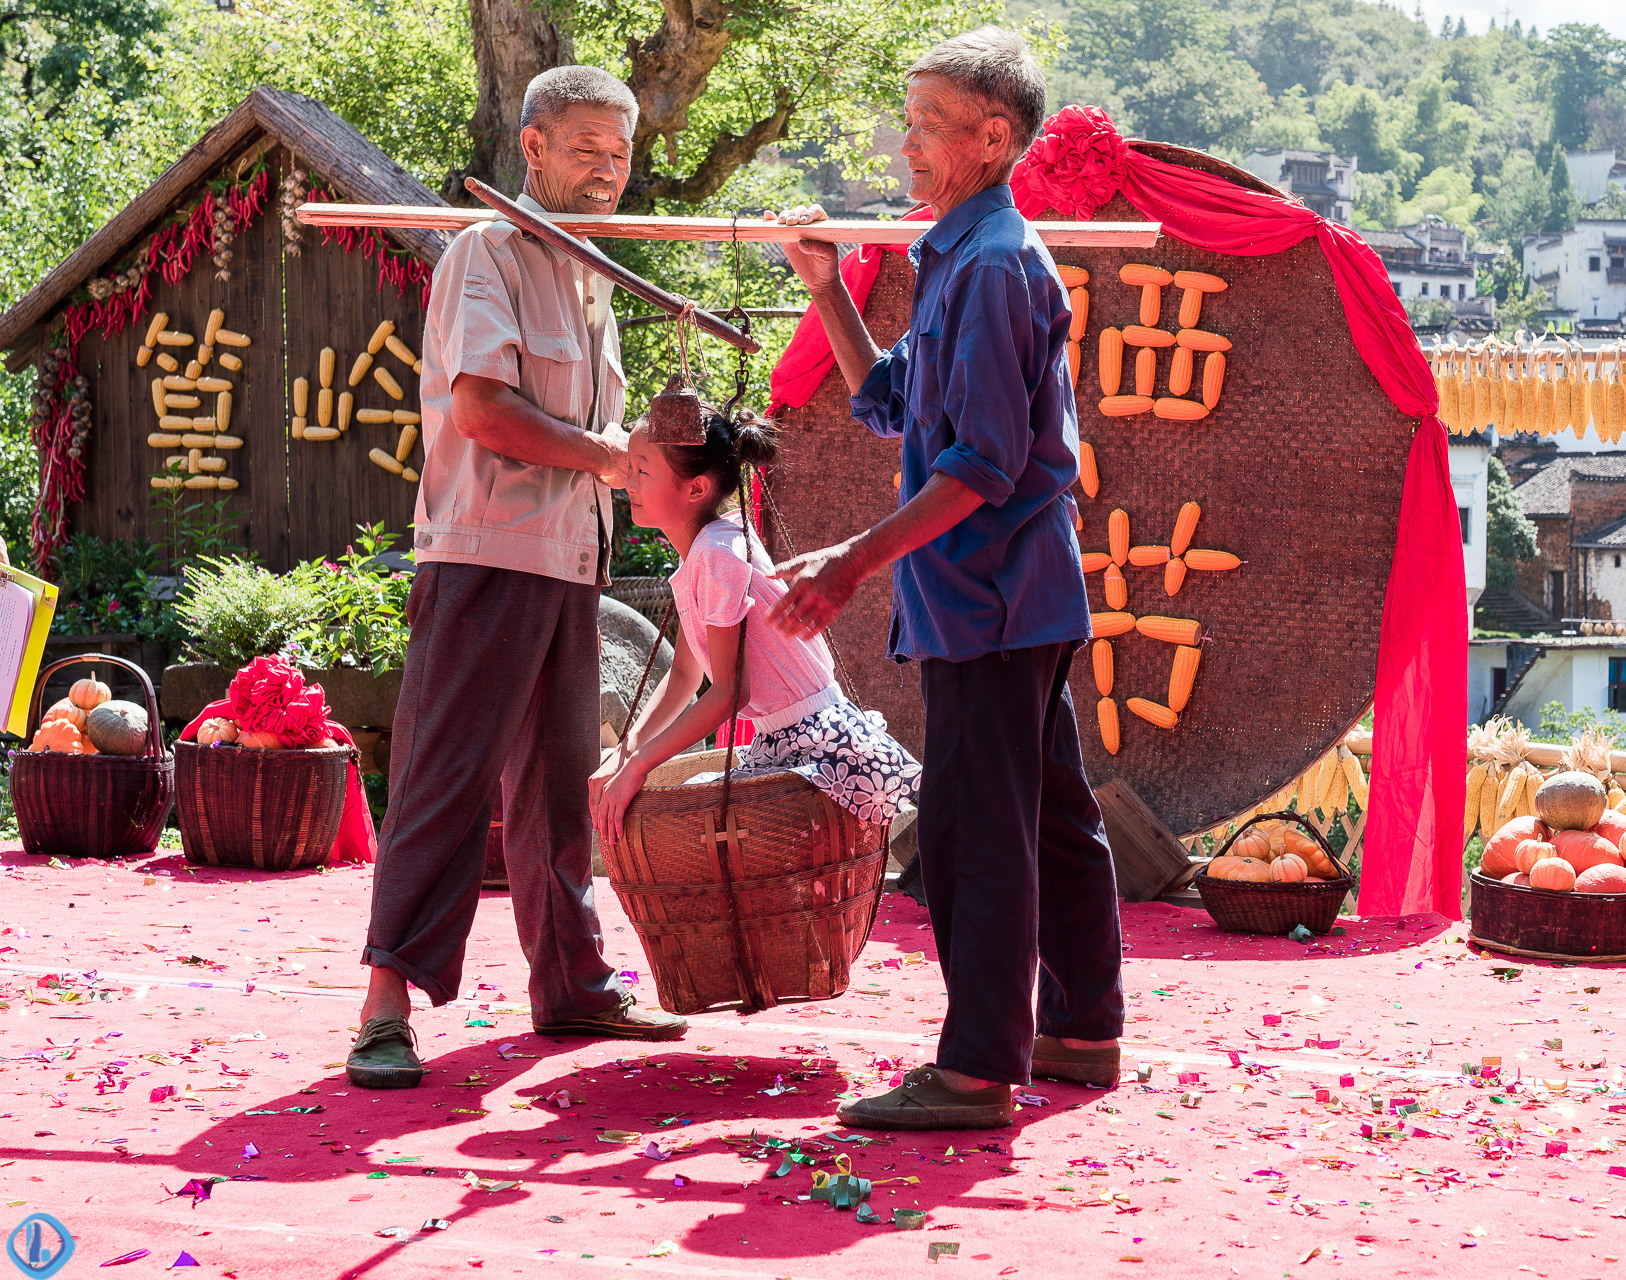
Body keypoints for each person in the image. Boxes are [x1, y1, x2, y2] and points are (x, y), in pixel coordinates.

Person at [770, 26, 1125, 1130]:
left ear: (991, 137)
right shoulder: (959, 258)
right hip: (1011, 593)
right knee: (1052, 812)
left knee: (981, 827)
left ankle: (977, 1064)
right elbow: (888, 403)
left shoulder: (990, 265)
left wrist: (844, 565)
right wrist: (827, 290)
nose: (905, 147)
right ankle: (1080, 1028)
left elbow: (981, 463)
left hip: (989, 595)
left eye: (925, 127)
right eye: (909, 122)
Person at [349, 65, 688, 1090]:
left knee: (553, 781)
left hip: (571, 558)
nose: (604, 166)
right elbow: (484, 413)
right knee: (444, 778)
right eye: (583, 145)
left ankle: (572, 981)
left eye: (619, 151)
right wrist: (609, 457)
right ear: (531, 146)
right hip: (484, 552)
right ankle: (383, 1006)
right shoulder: (484, 255)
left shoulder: (595, 273)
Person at [588, 410, 920, 839]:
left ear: (697, 488)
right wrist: (626, 750)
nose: (628, 482)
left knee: (692, 824)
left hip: (818, 745)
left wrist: (637, 765)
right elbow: (686, 676)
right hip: (787, 738)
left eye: (642, 470)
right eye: (630, 467)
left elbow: (729, 692)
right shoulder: (706, 550)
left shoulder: (717, 556)